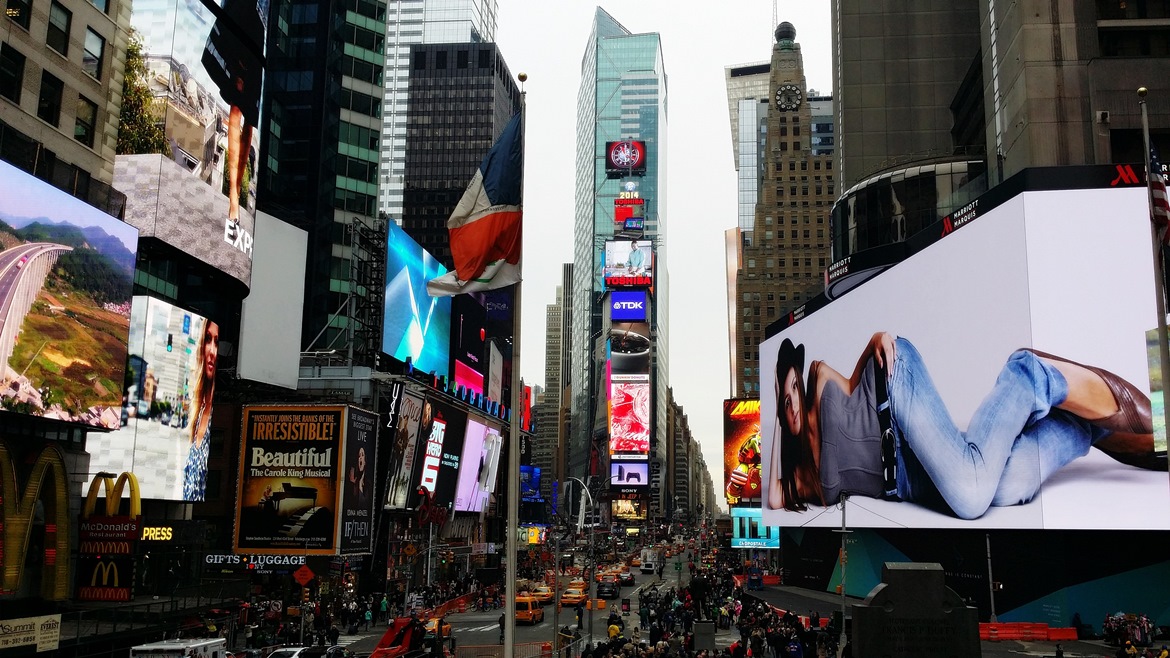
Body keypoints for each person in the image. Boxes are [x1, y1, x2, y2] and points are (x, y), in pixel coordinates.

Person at [766, 333, 1162, 520]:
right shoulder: (803, 478)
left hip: (895, 391)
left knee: (971, 497)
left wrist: (875, 340)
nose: (794, 404)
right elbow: (773, 501)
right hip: (905, 479)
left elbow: (855, 383)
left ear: (801, 381)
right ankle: (1092, 428)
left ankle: (1030, 375)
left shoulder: (818, 380)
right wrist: (779, 427)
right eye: (786, 402)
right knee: (1010, 486)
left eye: (793, 390)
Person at [201, 0, 266, 226]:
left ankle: (237, 189)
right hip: (243, 16)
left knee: (251, 113)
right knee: (237, 105)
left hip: (263, 30)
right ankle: (234, 198)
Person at [182, 320, 219, 501]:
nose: (212, 351)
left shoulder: (213, 415)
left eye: (217, 342)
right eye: (208, 340)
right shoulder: (196, 414)